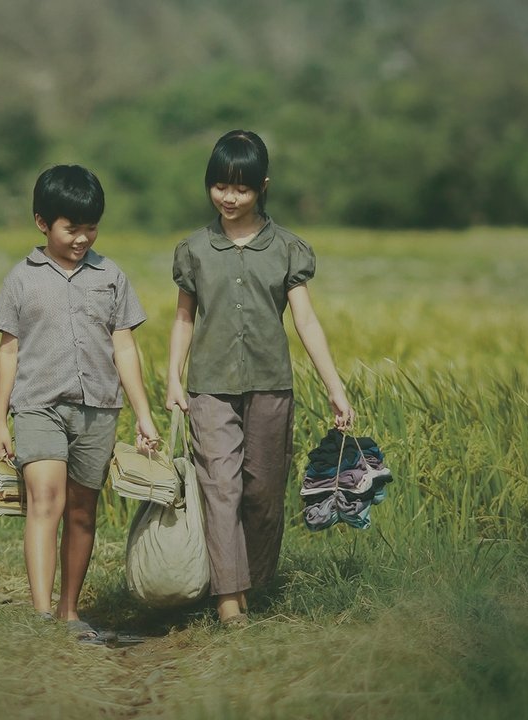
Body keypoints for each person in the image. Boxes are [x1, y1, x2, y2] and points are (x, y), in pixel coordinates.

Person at [165, 130, 354, 625]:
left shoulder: (287, 248)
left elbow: (306, 321)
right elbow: (184, 318)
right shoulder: (194, 249)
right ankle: (229, 599)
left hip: (271, 385)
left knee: (263, 494)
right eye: (220, 186)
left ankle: (251, 581)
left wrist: (335, 388)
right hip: (209, 387)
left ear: (262, 187)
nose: (229, 197)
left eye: (241, 188)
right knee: (220, 488)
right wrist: (172, 378)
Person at [0, 165, 159, 644]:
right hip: (37, 406)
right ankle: (42, 615)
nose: (82, 238)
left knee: (83, 511)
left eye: (91, 227)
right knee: (46, 499)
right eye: (71, 228)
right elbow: (8, 351)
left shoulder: (111, 276)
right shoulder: (21, 279)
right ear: (42, 223)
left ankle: (69, 611)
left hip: (98, 408)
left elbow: (124, 346)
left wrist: (144, 415)